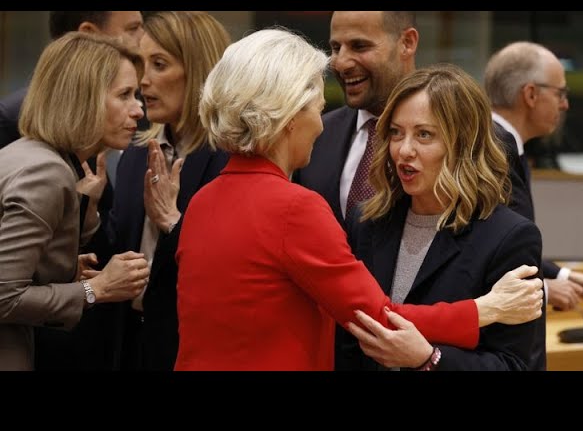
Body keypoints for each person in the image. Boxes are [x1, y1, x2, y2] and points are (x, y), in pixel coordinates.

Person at [174, 28, 543, 371]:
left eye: (424, 134)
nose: (322, 125)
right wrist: (484, 310)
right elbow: (374, 320)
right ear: (288, 116)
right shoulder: (304, 210)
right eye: (316, 109)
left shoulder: (201, 202)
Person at [341, 64, 546, 371]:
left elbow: (514, 365)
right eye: (396, 132)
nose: (404, 150)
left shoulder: (509, 237)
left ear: (464, 144)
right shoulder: (367, 220)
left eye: (424, 135)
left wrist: (430, 359)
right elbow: (348, 339)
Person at [0, 32, 150, 371]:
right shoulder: (47, 172)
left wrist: (62, 268)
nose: (139, 110)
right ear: (84, 98)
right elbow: (4, 296)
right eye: (124, 95)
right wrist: (96, 288)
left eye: (136, 95)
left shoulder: (27, 153)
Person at [94, 11, 231, 370]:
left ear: (199, 72)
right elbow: (120, 246)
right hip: (129, 342)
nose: (143, 80)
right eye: (142, 65)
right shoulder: (136, 152)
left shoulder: (231, 159)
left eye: (159, 64)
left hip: (193, 346)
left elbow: (231, 268)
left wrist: (174, 221)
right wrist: (91, 210)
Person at [484, 41, 583, 311]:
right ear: (531, 94)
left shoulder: (502, 145)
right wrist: (546, 290)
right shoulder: (491, 152)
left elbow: (509, 245)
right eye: (560, 93)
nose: (565, 104)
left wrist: (564, 276)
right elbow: (484, 251)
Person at [295, 11, 418, 228]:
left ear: (407, 43)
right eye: (336, 48)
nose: (341, 64)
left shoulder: (454, 135)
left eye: (359, 46)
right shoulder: (316, 134)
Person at [0, 11, 145, 150]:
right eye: (132, 29)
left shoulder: (142, 111)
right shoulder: (12, 120)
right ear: (88, 34)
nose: (144, 38)